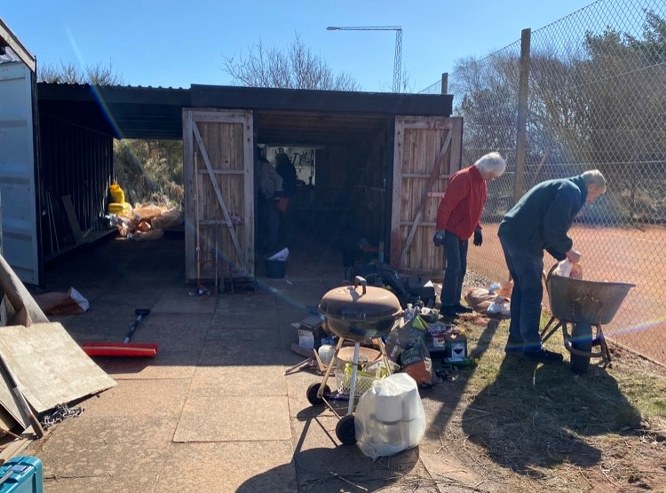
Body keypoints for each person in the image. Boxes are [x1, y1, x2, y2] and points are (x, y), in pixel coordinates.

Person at [498, 169, 607, 362]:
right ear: (590, 186)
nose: (591, 201)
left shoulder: (564, 186)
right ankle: (531, 348)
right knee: (532, 291)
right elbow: (553, 230)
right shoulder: (572, 191)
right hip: (524, 237)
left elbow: (547, 231)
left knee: (523, 288)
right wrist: (569, 251)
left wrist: (563, 257)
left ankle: (516, 342)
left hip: (512, 231)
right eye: (595, 196)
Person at [433, 152, 507, 318]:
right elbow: (446, 205)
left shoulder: (482, 183)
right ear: (487, 169)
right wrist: (440, 230)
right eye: (492, 175)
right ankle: (446, 305)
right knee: (454, 266)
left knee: (462, 268)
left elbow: (476, 208)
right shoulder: (463, 179)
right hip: (451, 229)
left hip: (463, 231)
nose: (492, 178)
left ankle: (455, 302)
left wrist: (477, 228)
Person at [255, 150, 283, 254]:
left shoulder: (265, 167)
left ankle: (273, 247)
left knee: (273, 222)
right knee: (265, 221)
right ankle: (267, 245)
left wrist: (277, 195)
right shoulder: (257, 167)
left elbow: (279, 179)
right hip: (266, 197)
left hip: (274, 197)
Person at [274, 150, 298, 243]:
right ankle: (291, 238)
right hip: (292, 194)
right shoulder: (291, 166)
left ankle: (284, 239)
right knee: (290, 216)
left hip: (283, 195)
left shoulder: (280, 167)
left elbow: (277, 181)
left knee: (282, 217)